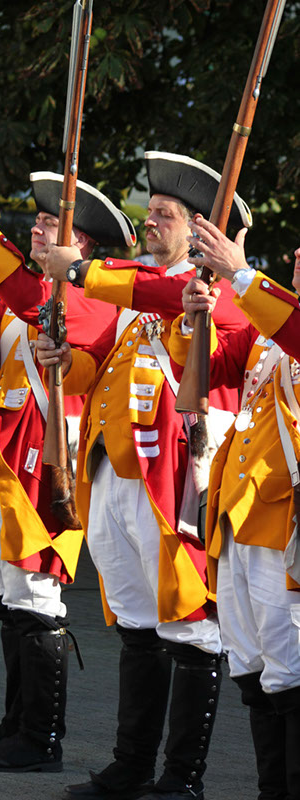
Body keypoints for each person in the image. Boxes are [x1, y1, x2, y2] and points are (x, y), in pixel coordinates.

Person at [35, 152, 252, 800]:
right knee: (134, 625)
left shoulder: (214, 293)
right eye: (151, 213)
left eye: (166, 215)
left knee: (190, 625)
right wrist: (61, 358)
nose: (151, 221)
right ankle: (131, 764)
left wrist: (79, 270)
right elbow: (92, 372)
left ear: (200, 232)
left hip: (173, 484)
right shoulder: (135, 291)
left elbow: (173, 307)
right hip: (116, 475)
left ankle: (180, 776)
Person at [0, 171, 134, 772]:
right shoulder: (29, 295)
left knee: (38, 598)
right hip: (4, 463)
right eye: (37, 223)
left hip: (47, 467)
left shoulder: (86, 295)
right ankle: (18, 722)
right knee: (10, 598)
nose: (37, 229)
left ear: (82, 246)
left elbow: (42, 312)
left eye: (50, 224)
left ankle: (41, 738)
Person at [170, 215, 300, 800]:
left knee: (291, 670)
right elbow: (213, 369)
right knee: (252, 667)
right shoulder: (270, 330)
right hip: (239, 515)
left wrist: (242, 274)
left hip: (285, 525)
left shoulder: (286, 323)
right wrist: (195, 315)